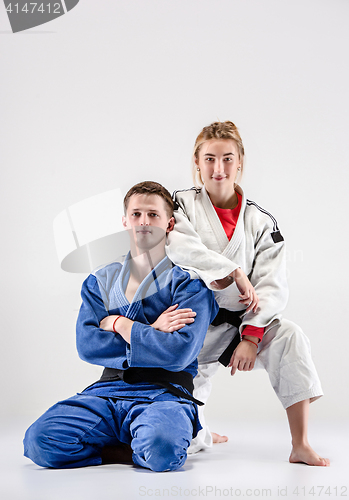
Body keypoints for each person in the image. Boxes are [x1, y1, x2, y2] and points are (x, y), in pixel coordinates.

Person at [166, 121, 330, 467]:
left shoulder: (260, 221)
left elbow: (272, 282)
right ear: (197, 161)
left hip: (241, 326)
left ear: (240, 162)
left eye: (227, 159)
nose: (218, 168)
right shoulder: (179, 205)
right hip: (189, 326)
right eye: (210, 159)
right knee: (187, 443)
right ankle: (200, 430)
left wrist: (253, 336)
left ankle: (299, 443)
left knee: (289, 337)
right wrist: (232, 272)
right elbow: (180, 247)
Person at [23, 181, 218, 472]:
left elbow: (178, 352)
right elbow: (88, 343)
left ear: (170, 223)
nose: (144, 222)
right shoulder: (100, 281)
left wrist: (120, 323)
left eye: (153, 215)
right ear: (125, 221)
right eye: (136, 214)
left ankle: (150, 440)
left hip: (164, 394)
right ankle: (131, 450)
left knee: (163, 451)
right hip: (106, 392)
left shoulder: (190, 285)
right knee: (39, 441)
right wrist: (153, 331)